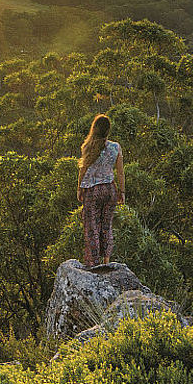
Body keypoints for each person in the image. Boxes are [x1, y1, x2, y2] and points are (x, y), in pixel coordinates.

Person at [75, 114, 124, 269]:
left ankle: (93, 264)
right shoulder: (116, 147)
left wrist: (79, 188)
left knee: (92, 227)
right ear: (108, 130)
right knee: (106, 225)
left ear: (94, 129)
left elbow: (83, 170)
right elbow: (120, 172)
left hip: (92, 190)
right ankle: (106, 262)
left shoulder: (88, 147)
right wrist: (122, 192)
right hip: (110, 189)